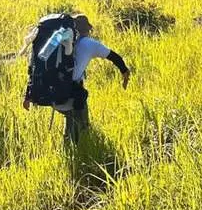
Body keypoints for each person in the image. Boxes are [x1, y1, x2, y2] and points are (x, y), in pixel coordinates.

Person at [23, 12, 130, 142]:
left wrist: (28, 95)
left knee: (71, 118)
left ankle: (71, 141)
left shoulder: (62, 42)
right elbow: (114, 57)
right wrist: (125, 72)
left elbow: (35, 65)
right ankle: (75, 148)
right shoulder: (90, 44)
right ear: (87, 29)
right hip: (68, 93)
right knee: (80, 128)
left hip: (50, 89)